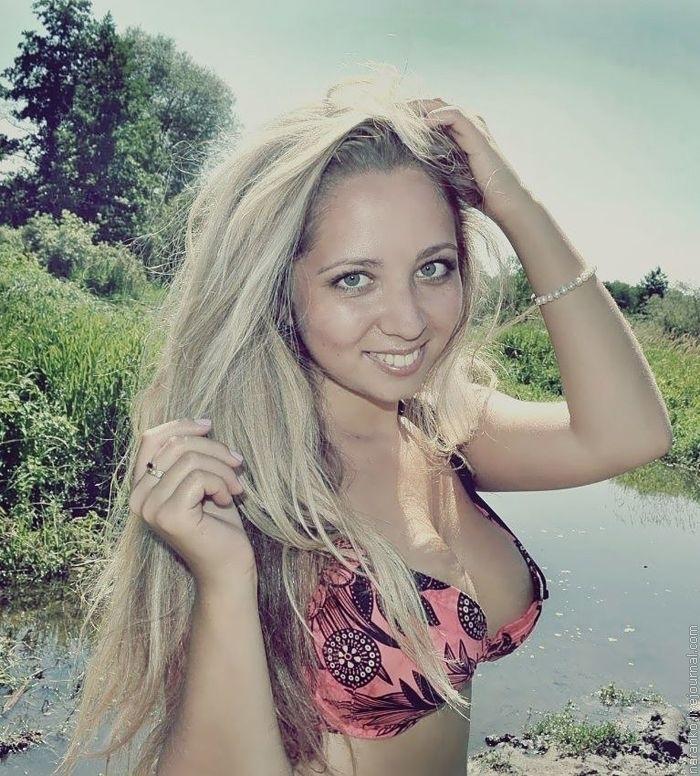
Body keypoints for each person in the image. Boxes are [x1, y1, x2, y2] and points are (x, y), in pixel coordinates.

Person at [57, 63, 672, 776]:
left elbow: (631, 434)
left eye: (434, 268)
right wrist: (223, 578)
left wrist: (515, 205)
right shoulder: (243, 484)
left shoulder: (441, 426)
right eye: (354, 279)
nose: (408, 320)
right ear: (279, 288)